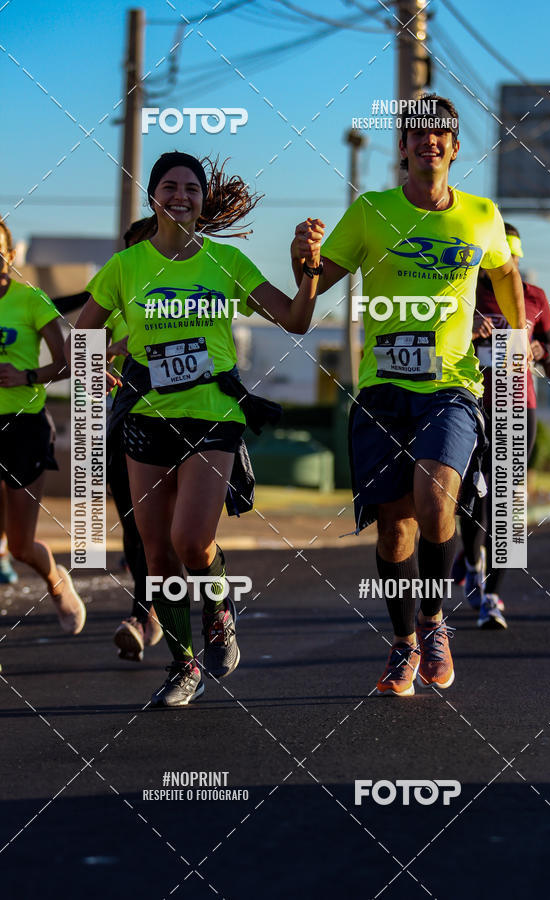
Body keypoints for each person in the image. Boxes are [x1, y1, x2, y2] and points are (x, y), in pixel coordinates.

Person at [291, 94, 530, 697]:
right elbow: (321, 281)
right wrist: (306, 259)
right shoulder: (371, 211)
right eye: (417, 133)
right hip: (380, 389)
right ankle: (402, 642)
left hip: (449, 387)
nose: (429, 140)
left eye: (441, 133)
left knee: (436, 500)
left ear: (454, 147)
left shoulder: (481, 214)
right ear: (402, 147)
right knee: (394, 530)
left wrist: (517, 329)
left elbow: (503, 270)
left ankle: (434, 623)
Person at [66, 151, 322, 707]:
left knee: (191, 541)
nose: (180, 195)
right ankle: (184, 665)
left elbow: (297, 321)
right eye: (169, 186)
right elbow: (79, 343)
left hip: (213, 416)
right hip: (145, 419)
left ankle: (220, 604)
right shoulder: (124, 268)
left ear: (204, 200)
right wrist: (110, 355)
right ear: (152, 195)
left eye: (191, 188)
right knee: (158, 556)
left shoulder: (225, 261)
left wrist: (310, 270)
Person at [458, 223, 550, 627]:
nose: (507, 264)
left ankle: (494, 595)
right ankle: (471, 561)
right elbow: (435, 340)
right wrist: (469, 333)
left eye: (512, 258)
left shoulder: (534, 297)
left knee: (508, 502)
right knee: (473, 498)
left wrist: (543, 349)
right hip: (471, 404)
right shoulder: (465, 290)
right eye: (499, 258)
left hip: (520, 404)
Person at [0, 218, 86, 632]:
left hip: (23, 427)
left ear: (11, 256)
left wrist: (27, 376)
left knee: (19, 547)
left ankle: (55, 580)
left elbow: (67, 361)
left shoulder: (31, 300)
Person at [106, 219, 164, 662]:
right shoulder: (118, 288)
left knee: (173, 532)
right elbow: (84, 344)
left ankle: (150, 615)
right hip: (126, 415)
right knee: (134, 524)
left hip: (181, 416)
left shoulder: (185, 291)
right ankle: (147, 614)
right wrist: (101, 359)